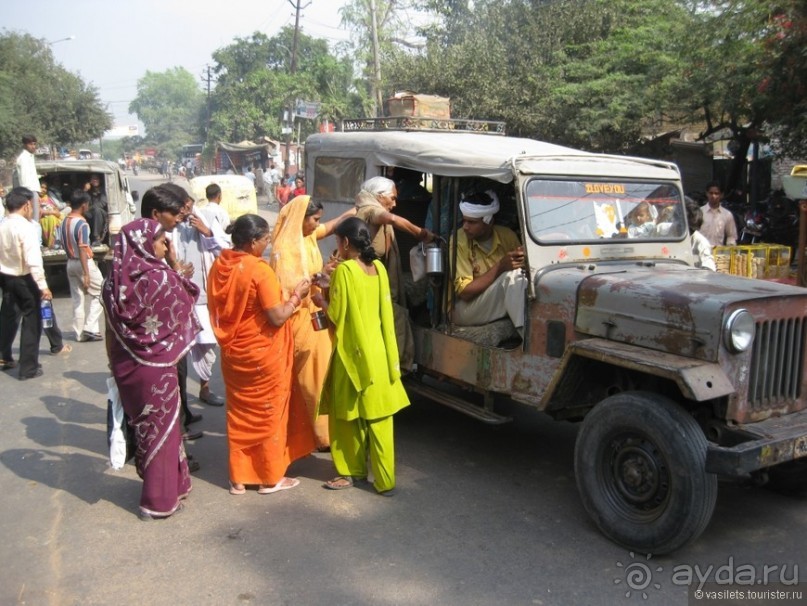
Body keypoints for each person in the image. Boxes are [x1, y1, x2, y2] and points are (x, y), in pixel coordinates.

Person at [207, 214, 315, 495]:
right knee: (268, 414)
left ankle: (239, 479)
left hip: (234, 355)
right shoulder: (259, 270)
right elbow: (278, 317)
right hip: (262, 355)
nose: (268, 244)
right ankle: (270, 477)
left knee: (239, 414)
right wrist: (297, 296)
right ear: (253, 241)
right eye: (266, 239)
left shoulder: (221, 264)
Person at [102, 218, 200, 520]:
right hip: (156, 366)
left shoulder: (114, 282)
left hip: (127, 365)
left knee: (147, 429)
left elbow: (108, 329)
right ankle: (157, 502)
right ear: (145, 243)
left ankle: (175, 485)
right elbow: (189, 296)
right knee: (164, 431)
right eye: (160, 240)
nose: (164, 244)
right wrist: (172, 265)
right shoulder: (159, 278)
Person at [313, 217, 410, 496]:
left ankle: (351, 471)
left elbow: (336, 314)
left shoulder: (345, 271)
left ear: (344, 243)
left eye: (337, 243)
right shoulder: (377, 267)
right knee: (380, 420)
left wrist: (320, 298)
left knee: (346, 418)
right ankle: (385, 480)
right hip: (379, 353)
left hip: (352, 355)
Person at [270, 195, 357, 450]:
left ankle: (322, 432)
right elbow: (290, 289)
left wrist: (353, 210)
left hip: (314, 313)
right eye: (314, 219)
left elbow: (328, 227)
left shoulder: (305, 236)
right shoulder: (285, 249)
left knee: (322, 371)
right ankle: (315, 434)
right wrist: (318, 279)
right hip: (299, 318)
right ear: (301, 218)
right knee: (309, 376)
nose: (316, 225)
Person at [140, 185, 203, 440]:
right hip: (156, 345)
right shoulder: (142, 249)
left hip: (171, 338)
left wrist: (175, 270)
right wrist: (176, 274)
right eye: (176, 213)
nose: (180, 218)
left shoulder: (161, 243)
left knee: (175, 388)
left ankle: (178, 434)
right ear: (156, 214)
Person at [164, 182, 229, 408]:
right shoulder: (167, 228)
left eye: (188, 206)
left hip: (203, 296)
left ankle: (204, 388)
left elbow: (225, 250)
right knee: (178, 352)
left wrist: (207, 232)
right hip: (177, 298)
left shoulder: (206, 220)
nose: (185, 212)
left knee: (207, 345)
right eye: (181, 208)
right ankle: (178, 401)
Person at [451, 190, 528, 331]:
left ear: (488, 221)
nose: (465, 227)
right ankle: (526, 336)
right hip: (464, 308)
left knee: (519, 277)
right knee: (511, 277)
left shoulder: (507, 235)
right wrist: (501, 266)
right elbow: (465, 293)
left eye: (472, 222)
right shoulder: (458, 241)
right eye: (464, 220)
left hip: (493, 301)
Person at [0, 187, 53, 379]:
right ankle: (28, 367)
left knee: (7, 315)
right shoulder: (26, 227)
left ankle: (4, 356)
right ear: (27, 205)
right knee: (32, 321)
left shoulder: (3, 225)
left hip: (6, 276)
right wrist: (43, 285)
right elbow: (33, 260)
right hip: (24, 277)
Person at [59, 190, 105, 341]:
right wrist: (86, 273)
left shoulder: (65, 221)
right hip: (82, 262)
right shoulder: (82, 224)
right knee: (101, 292)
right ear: (84, 205)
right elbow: (83, 248)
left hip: (70, 262)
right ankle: (90, 327)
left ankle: (79, 334)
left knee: (77, 299)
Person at [700, 181, 738, 247]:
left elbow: (731, 236)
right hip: (701, 253)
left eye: (716, 193)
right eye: (711, 193)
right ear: (707, 194)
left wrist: (729, 250)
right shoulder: (699, 212)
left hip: (719, 254)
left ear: (721, 195)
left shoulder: (727, 215)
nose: (713, 196)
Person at [686, 198, 717, 271]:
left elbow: (709, 266)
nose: (689, 232)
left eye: (692, 230)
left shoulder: (701, 242)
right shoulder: (664, 230)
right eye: (688, 228)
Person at [14, 135, 40, 222]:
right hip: (29, 192)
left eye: (34, 144)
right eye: (31, 144)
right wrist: (28, 197)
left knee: (35, 219)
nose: (33, 146)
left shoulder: (30, 157)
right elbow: (24, 180)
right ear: (25, 145)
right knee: (33, 220)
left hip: (33, 191)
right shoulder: (23, 158)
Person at [38, 180, 65, 248]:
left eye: (45, 188)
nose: (43, 190)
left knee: (63, 218)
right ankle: (52, 243)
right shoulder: (35, 198)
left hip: (52, 215)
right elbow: (39, 212)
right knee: (51, 219)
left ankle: (60, 241)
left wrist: (53, 212)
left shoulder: (48, 198)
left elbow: (57, 212)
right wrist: (51, 212)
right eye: (42, 187)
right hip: (41, 218)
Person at [84, 174, 108, 245]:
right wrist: (85, 190)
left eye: (96, 179)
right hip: (90, 213)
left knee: (97, 210)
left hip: (102, 214)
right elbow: (82, 200)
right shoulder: (89, 191)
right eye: (93, 179)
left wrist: (89, 209)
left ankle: (96, 237)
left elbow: (102, 203)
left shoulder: (104, 190)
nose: (95, 180)